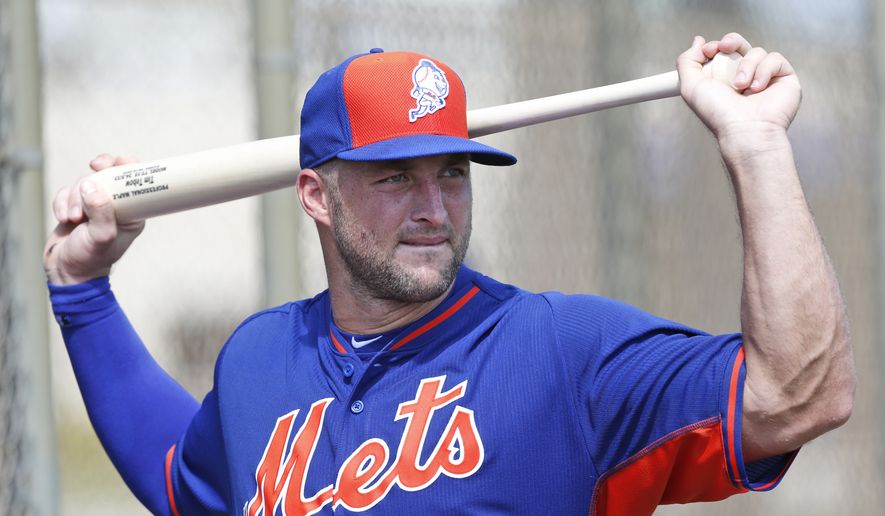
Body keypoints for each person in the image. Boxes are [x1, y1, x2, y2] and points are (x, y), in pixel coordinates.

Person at [44, 34, 854, 516]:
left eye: (452, 172)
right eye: (395, 177)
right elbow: (183, 485)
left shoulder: (559, 350)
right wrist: (83, 297)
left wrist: (756, 150)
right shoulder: (259, 358)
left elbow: (798, 395)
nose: (434, 205)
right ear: (315, 196)